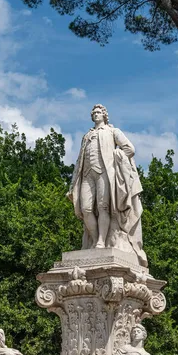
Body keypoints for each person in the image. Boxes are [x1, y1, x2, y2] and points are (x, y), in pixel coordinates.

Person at [67, 104, 147, 267]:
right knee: (86, 209)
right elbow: (79, 162)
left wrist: (119, 155)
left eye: (99, 113)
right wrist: (73, 182)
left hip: (105, 172)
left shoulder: (112, 131)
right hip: (87, 174)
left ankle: (102, 242)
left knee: (103, 207)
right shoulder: (87, 135)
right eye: (94, 113)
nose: (96, 115)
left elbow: (129, 149)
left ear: (104, 116)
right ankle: (96, 240)